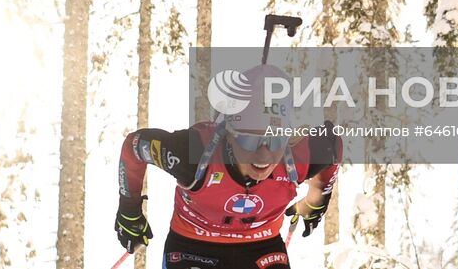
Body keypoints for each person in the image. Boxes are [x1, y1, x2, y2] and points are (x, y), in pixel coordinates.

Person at [115, 65, 341, 268]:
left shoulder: (300, 158)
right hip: (193, 245)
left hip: (261, 245)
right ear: (229, 134)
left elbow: (333, 142)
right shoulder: (193, 154)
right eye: (249, 140)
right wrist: (129, 210)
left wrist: (317, 201)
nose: (264, 155)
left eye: (275, 140)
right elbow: (135, 145)